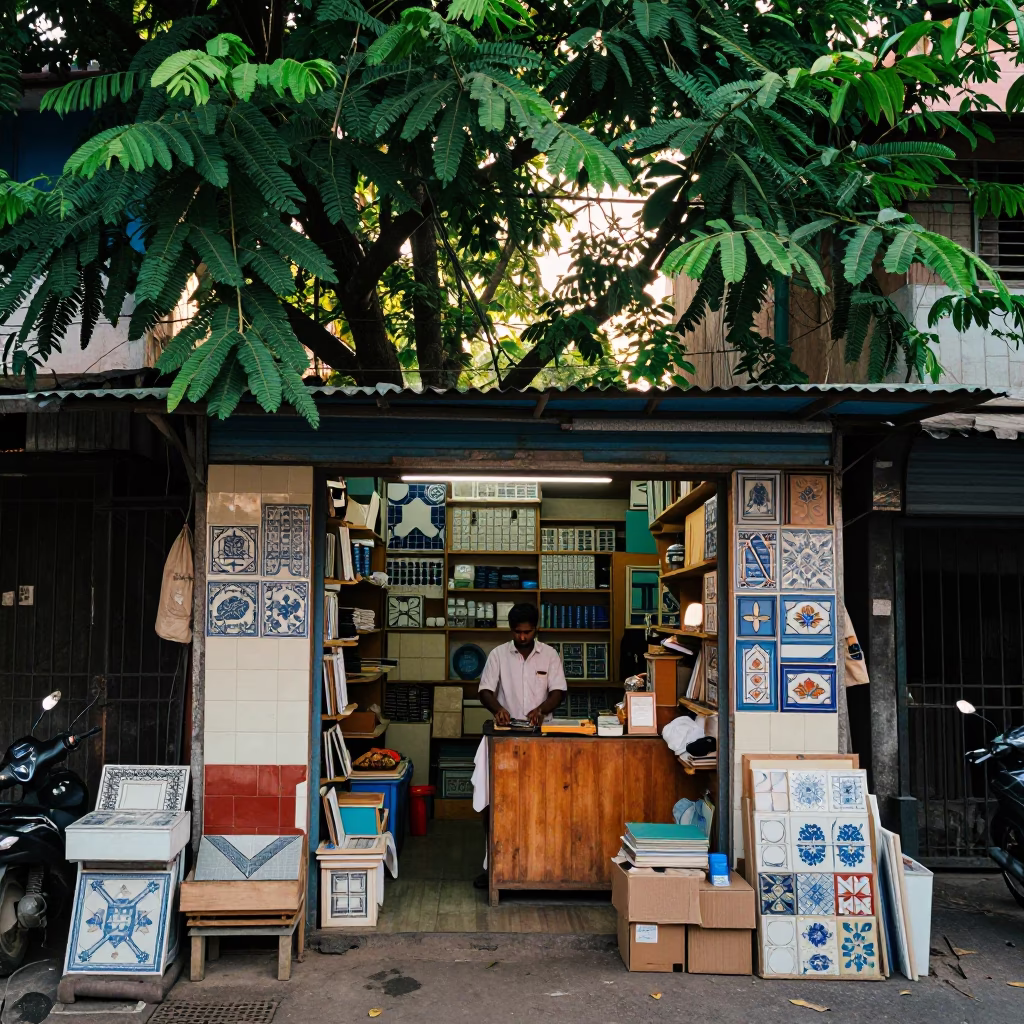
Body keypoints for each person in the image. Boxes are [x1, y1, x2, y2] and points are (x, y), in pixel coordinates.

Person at [470, 603, 567, 889]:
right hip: (505, 738)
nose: (522, 637)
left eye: (527, 632)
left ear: (536, 629)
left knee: (539, 803)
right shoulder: (498, 655)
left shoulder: (549, 655)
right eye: (517, 632)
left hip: (541, 740)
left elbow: (558, 691)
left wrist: (540, 708)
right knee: (496, 802)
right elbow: (485, 690)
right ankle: (493, 866)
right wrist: (498, 708)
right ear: (510, 630)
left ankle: (537, 866)